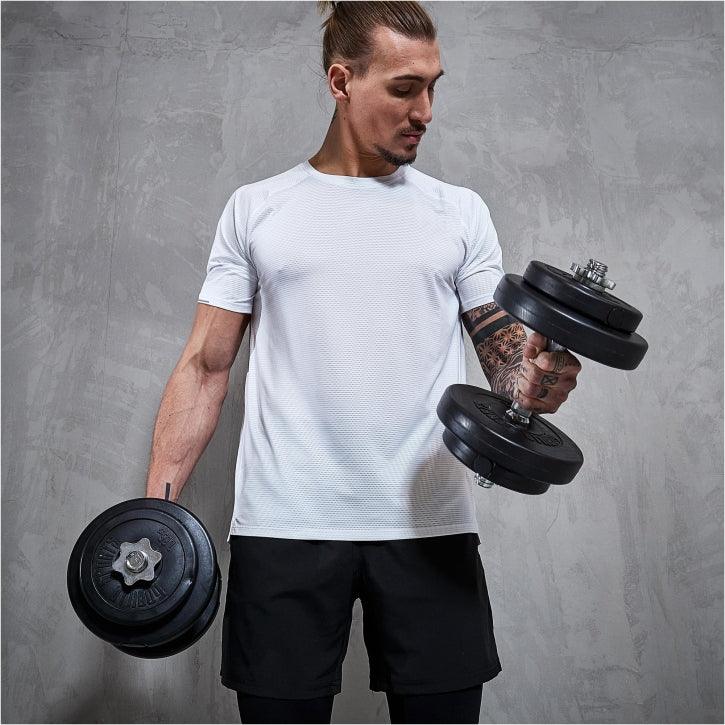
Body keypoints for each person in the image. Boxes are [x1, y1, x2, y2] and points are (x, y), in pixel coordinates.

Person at [145, 2, 582, 723]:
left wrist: (534, 381)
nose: (425, 112)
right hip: (284, 524)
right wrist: (155, 519)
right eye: (404, 89)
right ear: (341, 81)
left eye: (433, 87)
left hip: (428, 525)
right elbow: (204, 368)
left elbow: (504, 360)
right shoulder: (257, 209)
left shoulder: (459, 212)